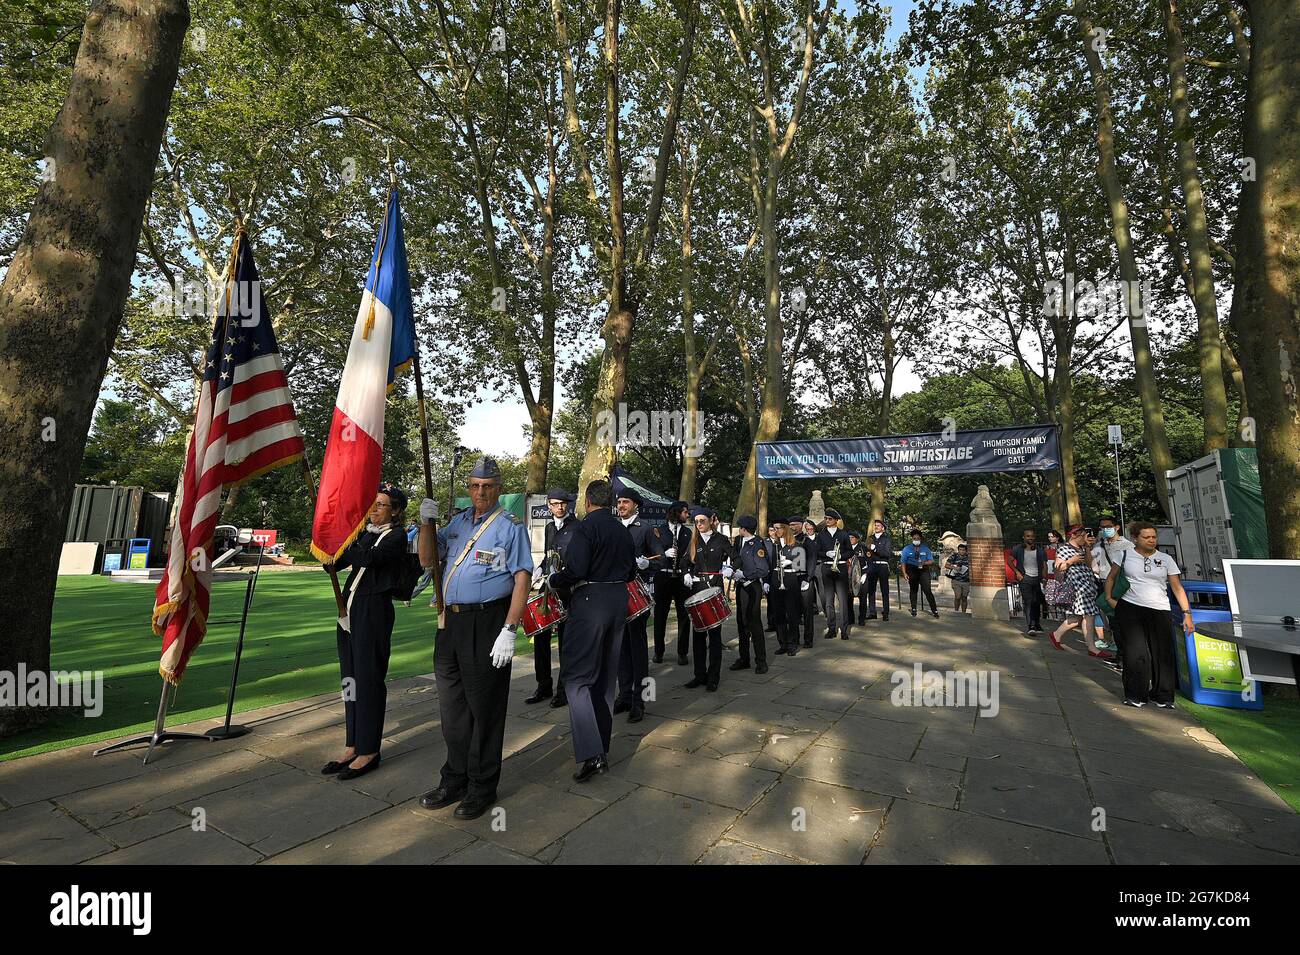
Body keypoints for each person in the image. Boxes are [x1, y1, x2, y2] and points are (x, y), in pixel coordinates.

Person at [417, 457, 532, 820]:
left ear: (498, 488)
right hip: (450, 624)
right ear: (468, 488)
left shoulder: (510, 527)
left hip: (488, 622)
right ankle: (455, 777)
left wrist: (510, 629)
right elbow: (426, 560)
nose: (480, 492)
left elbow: (522, 578)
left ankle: (482, 786)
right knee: (452, 708)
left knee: (485, 709)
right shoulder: (457, 523)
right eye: (474, 486)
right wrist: (425, 523)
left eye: (487, 486)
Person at [547, 479, 637, 779]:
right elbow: (632, 570)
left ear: (587, 502)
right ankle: (602, 747)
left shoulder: (586, 527)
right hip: (618, 601)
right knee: (605, 679)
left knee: (576, 679)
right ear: (610, 501)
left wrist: (553, 581)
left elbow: (576, 570)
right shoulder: (622, 530)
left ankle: (592, 753)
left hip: (590, 601)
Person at [321, 483, 411, 782]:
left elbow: (369, 560)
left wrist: (351, 536)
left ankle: (369, 750)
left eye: (381, 505)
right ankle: (352, 744)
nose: (373, 509)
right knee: (349, 678)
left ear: (395, 511)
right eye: (372, 504)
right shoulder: (363, 536)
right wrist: (330, 549)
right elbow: (337, 563)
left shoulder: (396, 536)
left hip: (373, 611)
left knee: (368, 679)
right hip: (348, 612)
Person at [1104, 522, 1194, 708]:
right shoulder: (1124, 555)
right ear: (1135, 538)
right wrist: (1109, 598)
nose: (1151, 540)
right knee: (1136, 652)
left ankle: (1163, 696)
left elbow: (1177, 587)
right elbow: (1111, 578)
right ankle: (1135, 694)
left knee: (1162, 652)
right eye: (1146, 537)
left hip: (1160, 608)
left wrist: (1187, 613)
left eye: (1154, 537)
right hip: (1131, 607)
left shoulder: (1166, 559)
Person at [526, 489, 577, 707]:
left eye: (563, 503)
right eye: (555, 503)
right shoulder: (548, 528)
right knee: (541, 638)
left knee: (566, 643)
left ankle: (563, 690)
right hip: (549, 590)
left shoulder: (578, 527)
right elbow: (549, 556)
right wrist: (539, 570)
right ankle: (543, 685)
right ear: (549, 505)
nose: (560, 507)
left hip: (567, 590)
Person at [614, 487, 660, 723]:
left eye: (625, 502)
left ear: (635, 505)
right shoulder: (613, 527)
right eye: (619, 502)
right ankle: (624, 694)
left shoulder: (646, 529)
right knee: (620, 648)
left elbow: (660, 557)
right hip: (615, 594)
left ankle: (640, 701)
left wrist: (645, 564)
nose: (621, 505)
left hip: (637, 594)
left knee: (638, 649)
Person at [683, 506, 734, 690]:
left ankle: (713, 677)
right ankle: (699, 675)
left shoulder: (721, 539)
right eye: (696, 522)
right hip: (697, 588)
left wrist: (730, 569)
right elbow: (685, 561)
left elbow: (736, 557)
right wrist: (686, 573)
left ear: (711, 520)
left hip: (714, 588)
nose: (699, 524)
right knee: (697, 634)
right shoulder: (694, 540)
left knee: (714, 635)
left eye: (702, 521)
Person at [1048, 525, 1111, 656]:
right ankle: (1091, 647)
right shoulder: (1064, 549)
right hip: (1077, 587)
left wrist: (1087, 548)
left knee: (1082, 616)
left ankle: (1057, 635)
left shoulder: (1083, 548)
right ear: (1074, 535)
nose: (1084, 538)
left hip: (1087, 585)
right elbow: (1058, 567)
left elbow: (1090, 564)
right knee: (1087, 616)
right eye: (1082, 536)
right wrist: (1071, 561)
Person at [651, 500, 692, 665]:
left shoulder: (688, 533)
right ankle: (658, 652)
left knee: (684, 616)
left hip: (681, 577)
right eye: (685, 512)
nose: (687, 515)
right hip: (663, 576)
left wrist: (686, 569)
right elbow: (652, 550)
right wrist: (664, 554)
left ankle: (682, 652)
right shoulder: (659, 530)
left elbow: (690, 555)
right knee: (660, 615)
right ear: (676, 513)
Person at [730, 515, 771, 673]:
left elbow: (763, 569)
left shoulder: (758, 544)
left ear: (744, 529)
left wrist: (745, 574)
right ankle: (744, 658)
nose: (738, 529)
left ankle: (761, 661)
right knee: (742, 623)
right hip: (741, 587)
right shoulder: (739, 541)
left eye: (739, 527)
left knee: (754, 623)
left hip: (752, 586)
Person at [1092, 516, 1131, 656]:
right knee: (1112, 622)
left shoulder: (1126, 545)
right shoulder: (1099, 545)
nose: (1105, 530)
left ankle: (1124, 655)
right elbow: (1093, 565)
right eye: (1102, 527)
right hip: (1104, 584)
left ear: (1117, 527)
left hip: (1119, 586)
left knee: (1121, 622)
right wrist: (1087, 547)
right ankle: (1120, 653)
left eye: (1108, 526)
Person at [815, 508, 854, 639]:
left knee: (843, 601)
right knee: (828, 601)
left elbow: (851, 551)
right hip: (826, 568)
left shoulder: (843, 534)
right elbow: (817, 551)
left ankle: (844, 630)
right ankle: (831, 628)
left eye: (829, 519)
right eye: (826, 519)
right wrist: (826, 553)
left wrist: (840, 555)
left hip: (841, 568)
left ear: (836, 521)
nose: (827, 521)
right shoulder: (821, 535)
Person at [769, 519, 802, 656]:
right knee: (779, 614)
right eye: (774, 528)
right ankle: (782, 643)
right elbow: (771, 565)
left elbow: (801, 566)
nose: (775, 531)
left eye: (778, 528)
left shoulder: (796, 545)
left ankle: (793, 643)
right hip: (777, 579)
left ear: (785, 529)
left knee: (792, 613)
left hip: (790, 579)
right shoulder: (774, 546)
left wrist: (791, 562)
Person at [1010, 529, 1045, 635]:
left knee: (1036, 602)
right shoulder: (1017, 549)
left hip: (1037, 579)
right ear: (1024, 537)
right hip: (1025, 578)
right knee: (1028, 601)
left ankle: (1037, 623)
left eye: (1032, 536)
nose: (1030, 538)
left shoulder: (1040, 550)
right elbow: (1009, 560)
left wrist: (1044, 578)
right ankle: (1031, 626)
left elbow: (1044, 565)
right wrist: (1017, 572)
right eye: (1028, 536)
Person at [900, 529, 938, 617]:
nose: (916, 540)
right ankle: (914, 608)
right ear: (912, 539)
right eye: (914, 538)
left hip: (923, 569)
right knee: (913, 589)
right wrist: (904, 573)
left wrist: (924, 563)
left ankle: (934, 610)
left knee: (927, 590)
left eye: (918, 538)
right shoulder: (907, 549)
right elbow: (903, 562)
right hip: (912, 569)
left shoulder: (925, 548)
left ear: (920, 539)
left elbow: (931, 561)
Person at [864, 518, 892, 621]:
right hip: (872, 565)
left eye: (878, 525)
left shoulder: (886, 539)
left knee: (885, 590)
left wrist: (875, 549)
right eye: (875, 525)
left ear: (883, 528)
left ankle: (886, 612)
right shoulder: (870, 538)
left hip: (883, 566)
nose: (876, 527)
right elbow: (866, 553)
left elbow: (887, 554)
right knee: (871, 590)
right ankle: (872, 612)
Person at [798, 518, 819, 647]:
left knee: (807, 610)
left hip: (807, 576)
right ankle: (794, 639)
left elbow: (811, 560)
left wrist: (808, 578)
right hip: (795, 578)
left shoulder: (807, 541)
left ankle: (808, 639)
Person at [849, 531, 870, 624]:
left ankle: (862, 619)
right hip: (849, 577)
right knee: (848, 598)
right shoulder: (845, 548)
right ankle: (850, 618)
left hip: (862, 575)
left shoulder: (863, 548)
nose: (850, 539)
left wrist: (865, 574)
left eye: (852, 537)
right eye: (849, 537)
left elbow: (870, 562)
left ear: (857, 539)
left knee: (863, 598)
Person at [944, 542, 970, 614]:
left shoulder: (969, 557)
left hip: (966, 581)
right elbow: (946, 565)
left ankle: (963, 613)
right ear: (958, 550)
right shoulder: (954, 556)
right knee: (958, 596)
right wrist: (955, 568)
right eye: (960, 550)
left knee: (964, 598)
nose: (962, 551)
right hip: (956, 580)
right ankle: (956, 612)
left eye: (963, 550)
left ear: (966, 550)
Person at [764, 523, 781, 633]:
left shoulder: (781, 541)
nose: (773, 532)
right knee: (770, 601)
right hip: (769, 574)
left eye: (774, 530)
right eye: (770, 530)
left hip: (780, 574)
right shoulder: (765, 543)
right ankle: (771, 623)